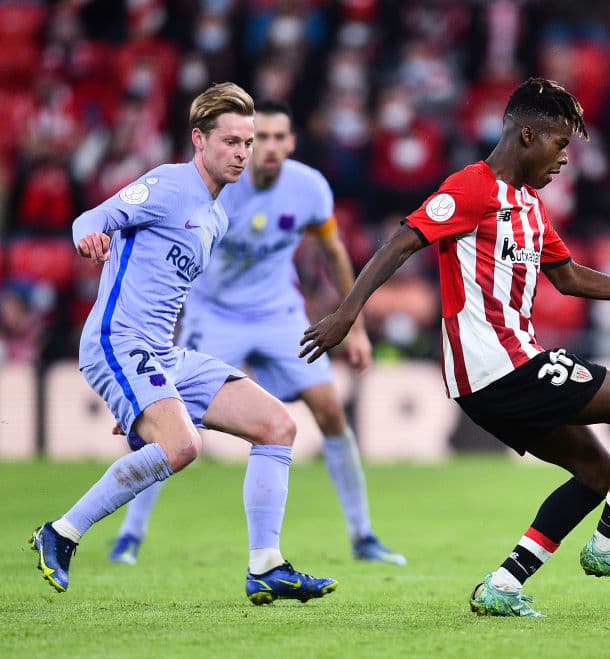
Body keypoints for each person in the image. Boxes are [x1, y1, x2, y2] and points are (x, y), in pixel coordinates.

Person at [300, 77, 610, 617]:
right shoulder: (472, 188)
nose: (565, 158)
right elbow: (403, 240)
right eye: (560, 144)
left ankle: (504, 585)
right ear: (526, 135)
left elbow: (570, 279)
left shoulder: (530, 206)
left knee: (596, 473)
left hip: (501, 375)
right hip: (503, 365)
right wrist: (347, 314)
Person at [29, 82, 338, 606]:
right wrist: (89, 237)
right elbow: (96, 217)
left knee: (277, 425)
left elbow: (168, 297)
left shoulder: (216, 215)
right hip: (118, 339)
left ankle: (266, 566)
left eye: (248, 142)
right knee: (182, 447)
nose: (243, 153)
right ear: (198, 139)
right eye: (231, 142)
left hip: (161, 353)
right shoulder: (169, 185)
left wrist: (151, 395)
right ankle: (61, 533)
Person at [109, 100, 405, 566]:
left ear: (290, 143)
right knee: (168, 421)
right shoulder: (218, 186)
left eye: (275, 137)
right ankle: (130, 534)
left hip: (279, 314)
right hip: (216, 313)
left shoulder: (308, 189)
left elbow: (333, 251)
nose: (265, 147)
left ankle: (363, 534)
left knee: (329, 409)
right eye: (257, 137)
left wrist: (358, 328)